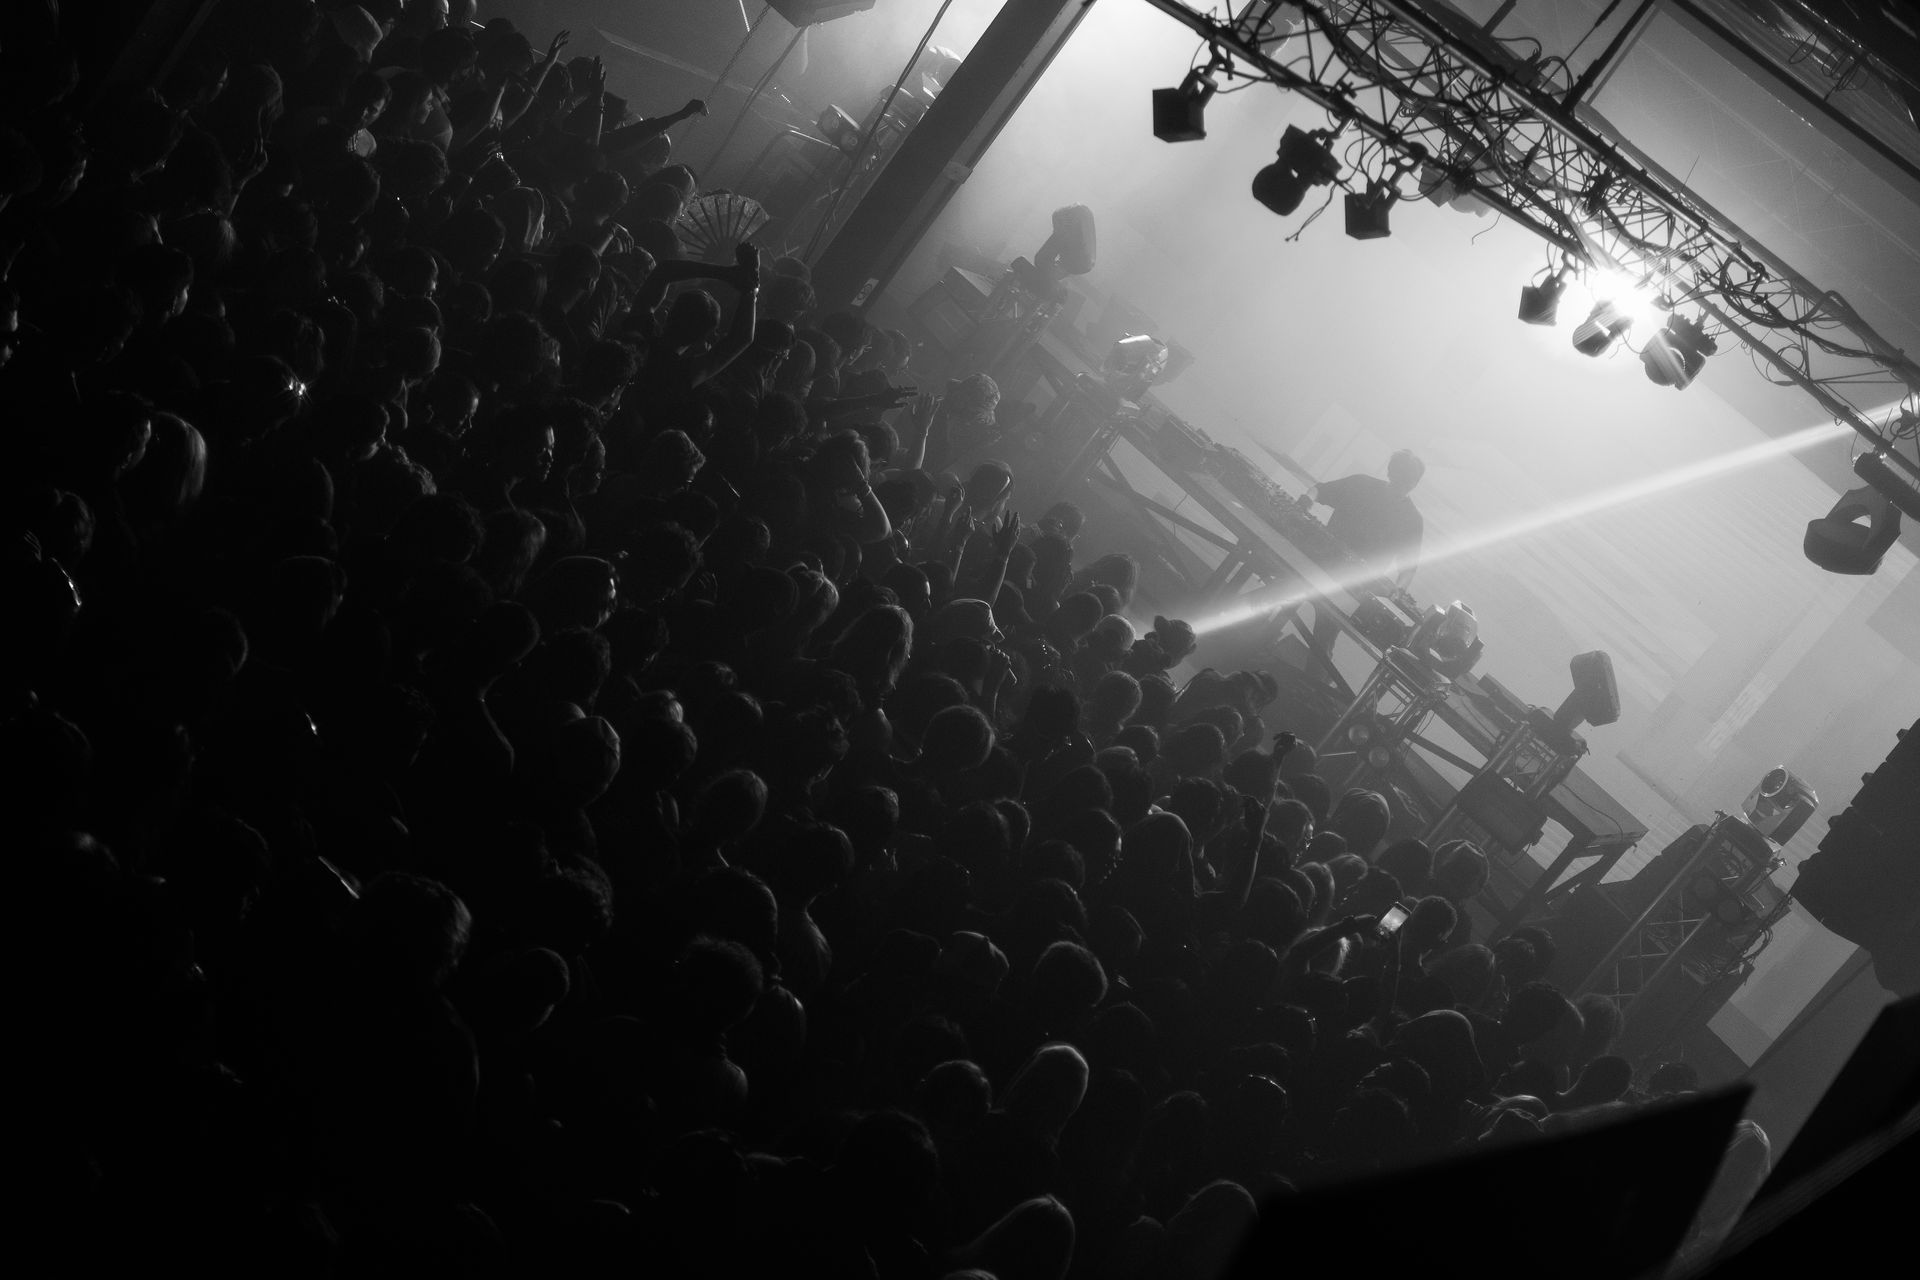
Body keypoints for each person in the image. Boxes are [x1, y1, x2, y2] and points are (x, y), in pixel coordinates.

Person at [1298, 448, 1426, 681]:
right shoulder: (1361, 484)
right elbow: (1320, 490)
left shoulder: (1412, 520)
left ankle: (1312, 687)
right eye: (1403, 477)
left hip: (1351, 588)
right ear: (1391, 472)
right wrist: (1307, 500)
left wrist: (1400, 589)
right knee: (1281, 604)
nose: (1406, 484)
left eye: (1411, 480)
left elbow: (1409, 567)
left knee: (1323, 638)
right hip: (1316, 564)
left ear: (1415, 483)